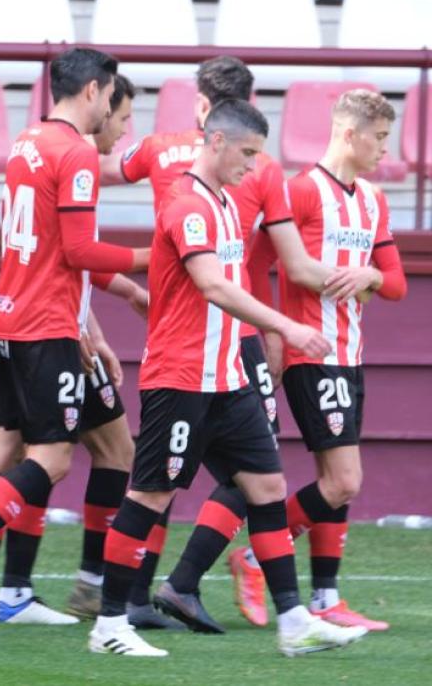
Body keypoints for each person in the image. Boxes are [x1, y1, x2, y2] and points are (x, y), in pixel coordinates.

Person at [86, 99, 368, 658]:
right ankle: (109, 625)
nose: (254, 164)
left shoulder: (222, 203)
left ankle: (294, 623)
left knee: (266, 488)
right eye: (247, 152)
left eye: (260, 154)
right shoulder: (187, 205)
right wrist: (287, 325)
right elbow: (215, 287)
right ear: (214, 142)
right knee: (149, 496)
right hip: (182, 378)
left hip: (228, 377)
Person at [0, 47, 150, 628]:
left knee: (100, 448)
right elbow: (79, 251)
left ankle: (9, 590)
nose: (115, 114)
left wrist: (91, 319)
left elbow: (51, 248)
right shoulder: (77, 153)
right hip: (45, 327)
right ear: (93, 90)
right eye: (112, 97)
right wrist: (158, 258)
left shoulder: (26, 142)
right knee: (51, 459)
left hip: (18, 318)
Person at [271, 90, 405, 630]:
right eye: (378, 138)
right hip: (313, 352)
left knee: (336, 477)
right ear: (349, 135)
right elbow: (275, 265)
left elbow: (395, 284)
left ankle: (326, 597)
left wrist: (371, 275)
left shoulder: (373, 200)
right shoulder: (301, 192)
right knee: (345, 480)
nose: (384, 151)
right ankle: (260, 552)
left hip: (351, 354)